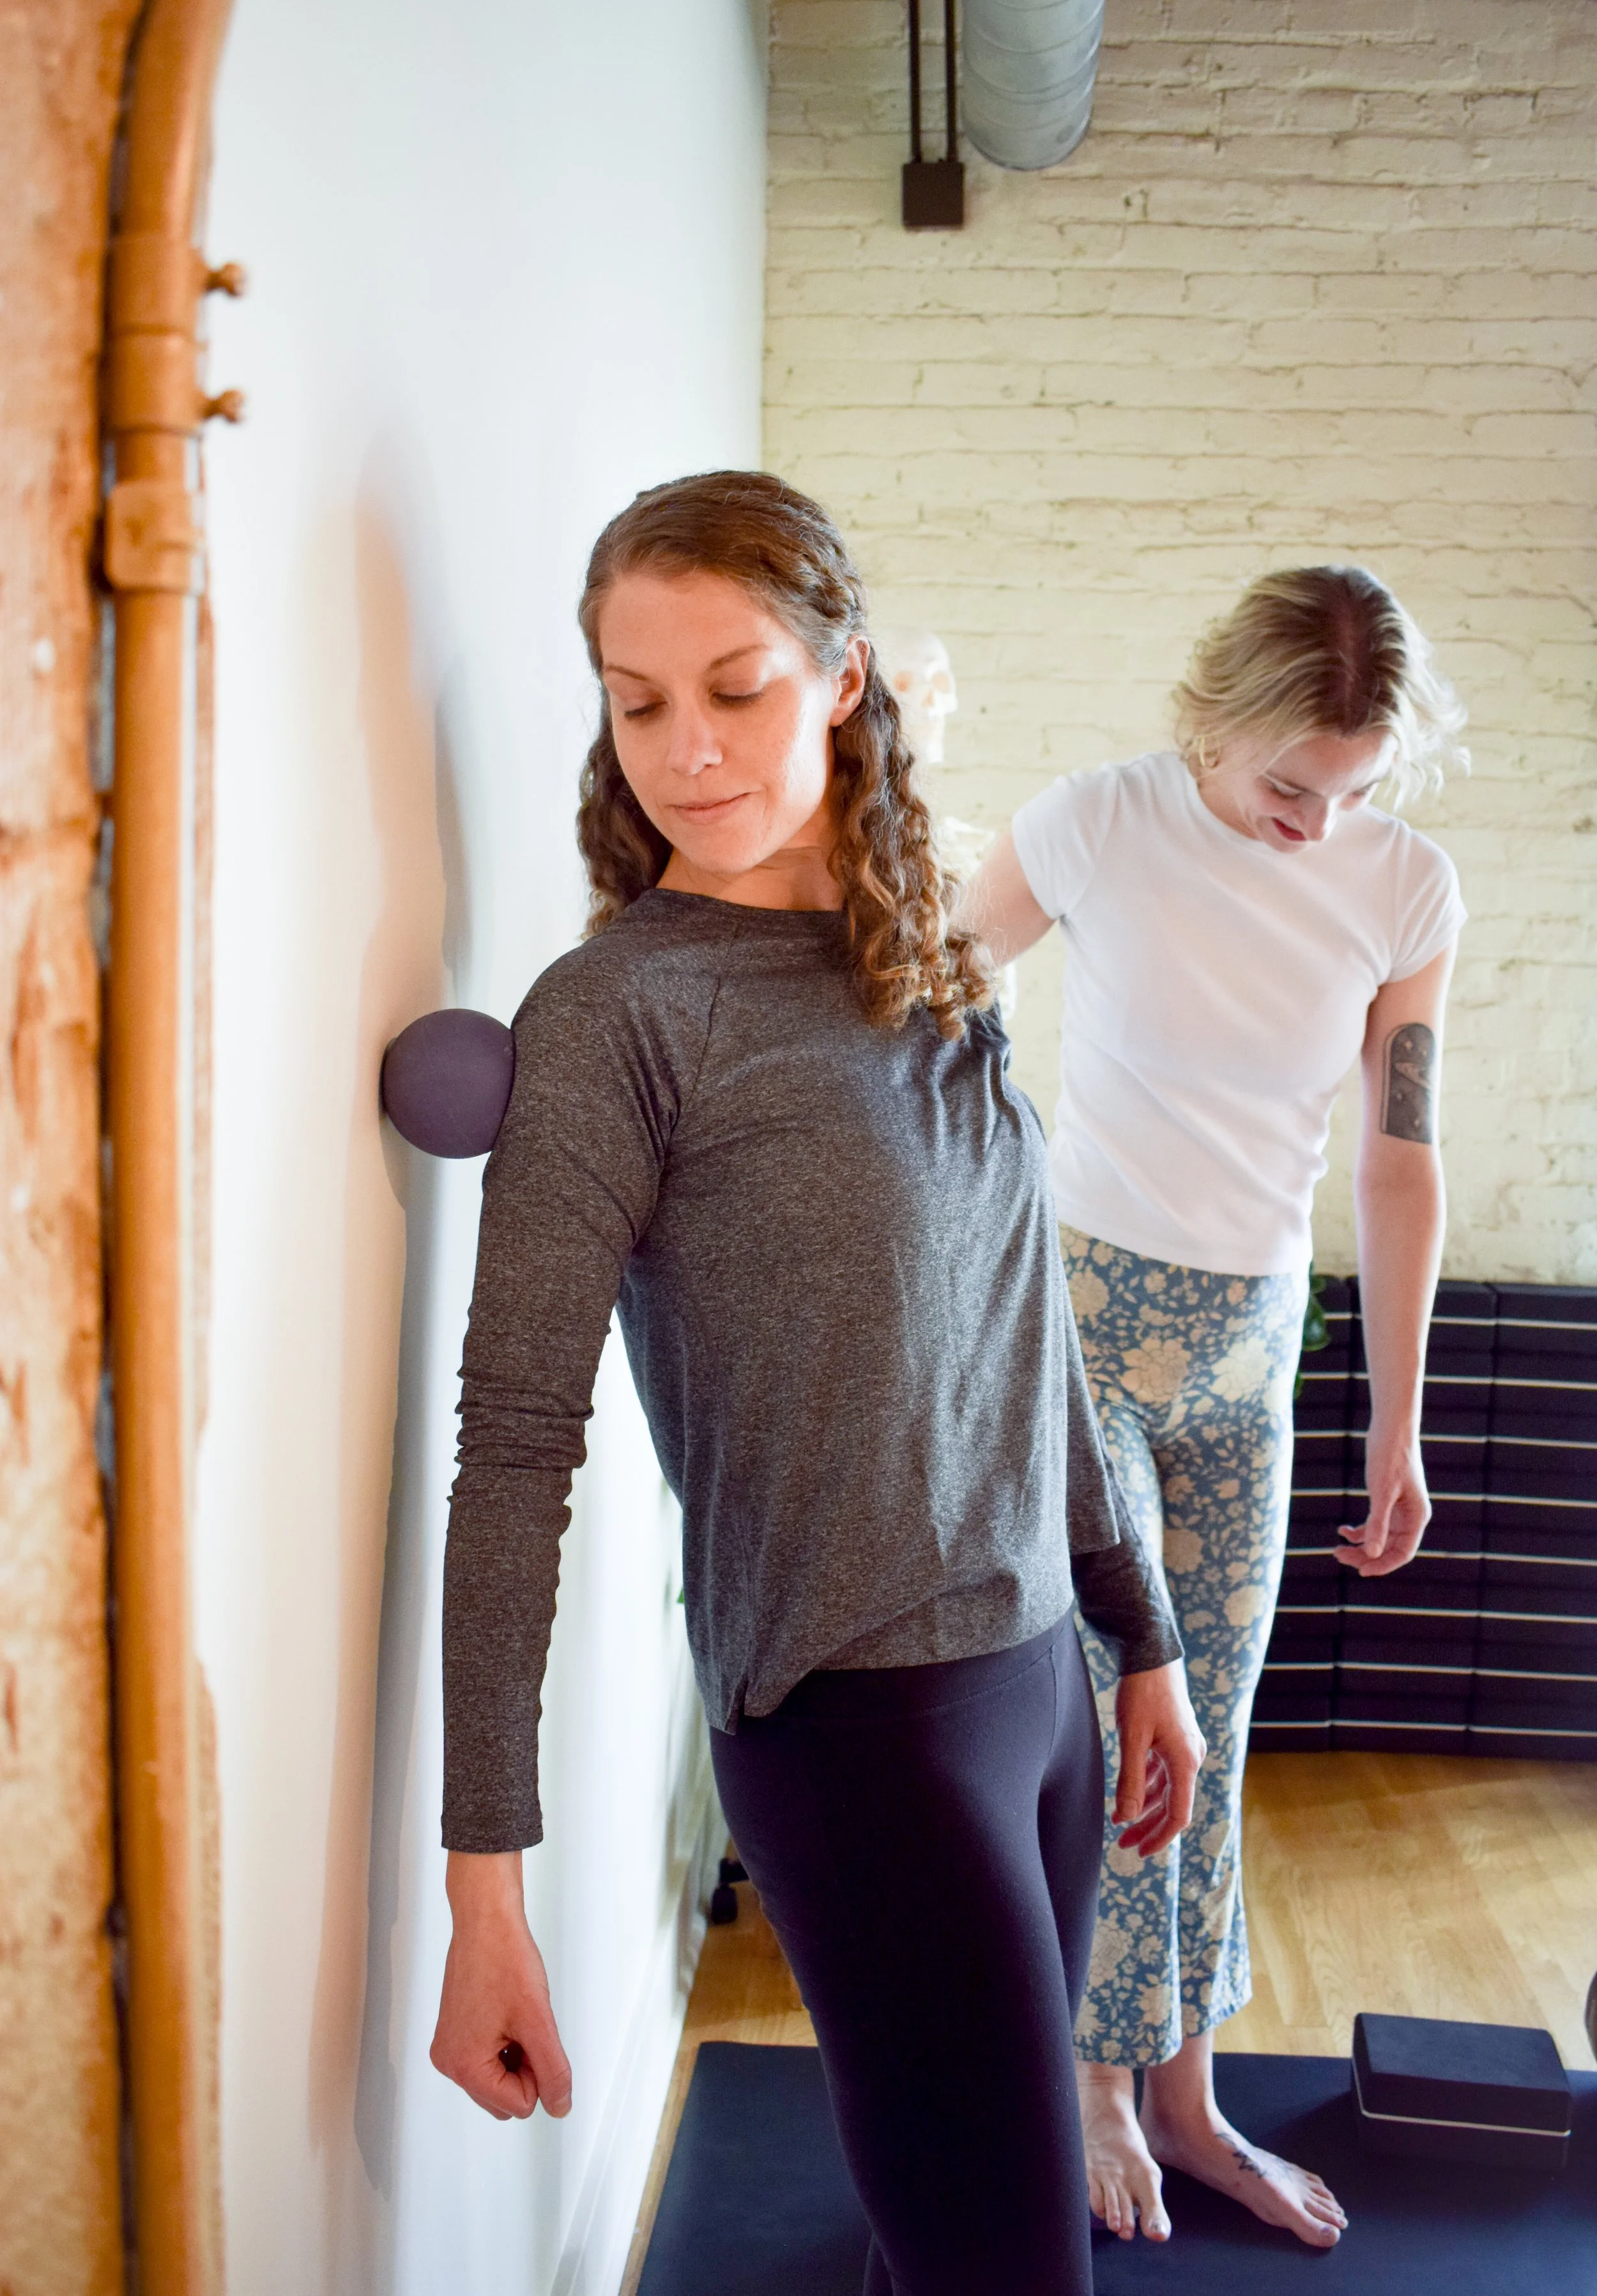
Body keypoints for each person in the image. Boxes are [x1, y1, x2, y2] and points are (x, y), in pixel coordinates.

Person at [427, 471, 1205, 2296]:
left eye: (736, 685)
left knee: (945, 2243)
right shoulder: (617, 1015)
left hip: (1036, 1696)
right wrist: (485, 1893)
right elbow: (512, 1452)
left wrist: (1138, 1628)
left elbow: (1030, 1333)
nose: (684, 746)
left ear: (842, 678)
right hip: (860, 1735)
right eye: (638, 701)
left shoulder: (925, 966)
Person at [959, 565, 1469, 2251]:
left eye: (1354, 791)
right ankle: (1089, 2086)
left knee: (1215, 1730)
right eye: (1287, 788)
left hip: (1258, 1340)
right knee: (1115, 1716)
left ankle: (1185, 2095)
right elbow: (920, 992)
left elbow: (1397, 1162)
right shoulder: (1096, 823)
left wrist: (1393, 1426)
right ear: (1217, 724)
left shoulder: (1404, 891)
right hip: (1080, 1323)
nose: (1319, 826)